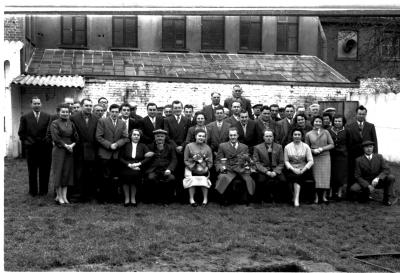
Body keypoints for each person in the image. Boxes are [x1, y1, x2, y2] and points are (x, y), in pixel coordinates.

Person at [18, 96, 53, 197]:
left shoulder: (47, 116)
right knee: (32, 171)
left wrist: (47, 142)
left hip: (45, 149)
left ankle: (43, 191)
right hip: (32, 149)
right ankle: (33, 191)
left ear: (41, 104)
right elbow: (21, 133)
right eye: (35, 103)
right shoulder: (25, 117)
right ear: (31, 105)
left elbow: (50, 132)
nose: (37, 105)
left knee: (45, 171)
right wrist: (27, 144)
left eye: (38, 103)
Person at [96, 103, 129, 203]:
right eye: (113, 112)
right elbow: (98, 137)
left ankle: (114, 198)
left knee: (115, 176)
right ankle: (103, 198)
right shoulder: (102, 121)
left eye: (116, 112)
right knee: (104, 176)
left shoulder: (122, 123)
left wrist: (117, 144)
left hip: (116, 154)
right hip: (105, 153)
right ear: (109, 112)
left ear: (119, 113)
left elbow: (125, 137)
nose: (114, 114)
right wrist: (109, 145)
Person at [215, 127, 256, 205]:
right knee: (223, 177)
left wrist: (246, 166)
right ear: (229, 136)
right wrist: (221, 168)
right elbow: (218, 160)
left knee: (248, 179)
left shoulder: (244, 147)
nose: (233, 137)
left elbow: (247, 160)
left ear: (237, 136)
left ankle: (246, 200)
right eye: (231, 135)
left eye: (234, 135)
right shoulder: (222, 146)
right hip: (228, 168)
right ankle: (224, 200)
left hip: (240, 169)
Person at [351, 140, 397, 206]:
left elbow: (386, 169)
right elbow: (357, 176)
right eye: (366, 147)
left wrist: (378, 178)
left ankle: (386, 199)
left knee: (391, 177)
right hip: (366, 181)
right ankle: (366, 194)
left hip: (378, 181)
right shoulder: (358, 160)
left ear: (373, 148)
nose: (369, 149)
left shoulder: (379, 157)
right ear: (363, 149)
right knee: (353, 189)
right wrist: (367, 185)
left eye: (370, 147)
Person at [70, 98, 99, 202]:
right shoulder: (73, 118)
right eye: (86, 105)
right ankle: (77, 195)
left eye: (90, 106)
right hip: (79, 150)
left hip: (92, 150)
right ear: (82, 106)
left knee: (90, 173)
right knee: (78, 173)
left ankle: (89, 195)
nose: (89, 108)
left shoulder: (96, 118)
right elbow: (71, 133)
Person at [50, 103, 79, 205]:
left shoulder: (71, 123)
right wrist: (66, 146)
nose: (65, 113)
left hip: (69, 150)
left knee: (67, 172)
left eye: (67, 112)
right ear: (58, 112)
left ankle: (65, 196)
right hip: (59, 150)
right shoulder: (54, 123)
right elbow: (56, 138)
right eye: (63, 111)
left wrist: (72, 145)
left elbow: (76, 137)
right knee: (59, 172)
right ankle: (59, 196)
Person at [346, 105, 378, 190]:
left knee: (366, 173)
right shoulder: (349, 126)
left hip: (366, 154)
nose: (361, 116)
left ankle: (366, 191)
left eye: (363, 114)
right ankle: (351, 192)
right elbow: (348, 143)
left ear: (365, 115)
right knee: (353, 173)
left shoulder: (370, 126)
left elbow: (374, 141)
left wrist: (375, 155)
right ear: (356, 114)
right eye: (359, 114)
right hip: (354, 155)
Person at [119, 129, 153, 207]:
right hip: (126, 166)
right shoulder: (125, 145)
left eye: (138, 135)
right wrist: (129, 165)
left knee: (135, 176)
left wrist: (139, 164)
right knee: (125, 176)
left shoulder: (143, 146)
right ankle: (127, 199)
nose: (136, 136)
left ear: (140, 137)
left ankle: (133, 198)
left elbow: (148, 157)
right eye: (134, 135)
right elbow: (120, 158)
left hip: (138, 166)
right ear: (131, 136)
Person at [305, 115, 334, 204]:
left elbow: (332, 144)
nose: (318, 123)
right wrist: (313, 150)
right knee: (316, 178)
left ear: (322, 123)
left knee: (325, 177)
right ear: (313, 122)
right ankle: (316, 197)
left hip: (325, 156)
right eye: (316, 121)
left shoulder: (326, 132)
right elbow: (306, 147)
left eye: (319, 122)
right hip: (314, 157)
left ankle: (324, 197)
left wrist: (322, 149)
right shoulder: (308, 134)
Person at [252, 129, 287, 203]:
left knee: (283, 180)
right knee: (260, 180)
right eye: (267, 136)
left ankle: (278, 199)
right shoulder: (257, 148)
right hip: (264, 169)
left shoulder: (279, 147)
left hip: (275, 169)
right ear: (263, 137)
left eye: (270, 136)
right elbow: (256, 162)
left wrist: (276, 172)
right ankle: (265, 198)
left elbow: (281, 162)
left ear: (273, 137)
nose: (269, 138)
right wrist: (266, 171)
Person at [145, 129, 177, 206]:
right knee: (151, 178)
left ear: (165, 137)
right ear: (155, 137)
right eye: (158, 136)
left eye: (162, 136)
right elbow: (145, 158)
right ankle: (155, 199)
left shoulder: (170, 147)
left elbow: (174, 159)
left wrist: (169, 169)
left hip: (165, 169)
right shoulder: (149, 146)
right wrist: (146, 155)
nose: (160, 138)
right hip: (153, 170)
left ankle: (167, 199)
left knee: (171, 178)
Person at [183, 129, 213, 207]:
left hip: (203, 168)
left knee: (204, 179)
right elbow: (185, 160)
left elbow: (210, 162)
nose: (201, 138)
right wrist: (192, 165)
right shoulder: (189, 146)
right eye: (199, 136)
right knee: (192, 179)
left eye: (203, 136)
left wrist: (206, 167)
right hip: (191, 167)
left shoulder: (207, 147)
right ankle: (192, 199)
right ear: (195, 136)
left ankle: (205, 199)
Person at [284, 129, 314, 207]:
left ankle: (295, 198)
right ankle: (296, 198)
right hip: (291, 169)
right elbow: (286, 161)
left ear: (301, 136)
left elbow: (311, 161)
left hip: (303, 169)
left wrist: (303, 170)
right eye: (295, 134)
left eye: (299, 134)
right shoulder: (287, 147)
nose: (297, 136)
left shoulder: (306, 146)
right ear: (292, 136)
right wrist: (293, 169)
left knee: (298, 176)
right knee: (295, 176)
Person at [328, 114, 349, 200]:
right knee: (331, 174)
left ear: (343, 122)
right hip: (331, 155)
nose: (337, 123)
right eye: (335, 121)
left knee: (340, 175)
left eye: (339, 121)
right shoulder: (329, 130)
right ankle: (330, 192)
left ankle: (339, 192)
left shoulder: (347, 131)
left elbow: (349, 143)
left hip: (342, 156)